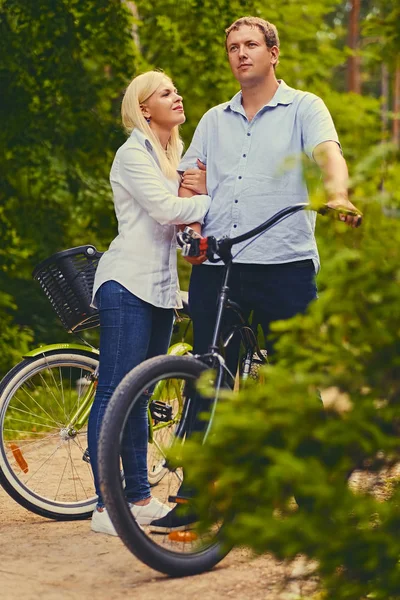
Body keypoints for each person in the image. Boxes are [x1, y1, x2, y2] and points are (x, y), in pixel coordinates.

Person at [148, 16, 361, 532]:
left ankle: (313, 498)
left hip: (284, 266)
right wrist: (191, 214)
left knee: (293, 383)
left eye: (250, 45)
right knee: (208, 377)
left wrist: (336, 192)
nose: (240, 54)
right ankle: (195, 494)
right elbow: (190, 182)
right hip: (220, 267)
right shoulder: (214, 121)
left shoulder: (305, 107)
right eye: (232, 47)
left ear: (273, 53)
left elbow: (328, 154)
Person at [88, 70, 211, 536]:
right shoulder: (132, 153)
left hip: (158, 290)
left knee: (138, 394)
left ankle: (137, 497)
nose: (176, 96)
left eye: (177, 90)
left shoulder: (168, 157)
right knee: (115, 390)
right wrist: (217, 203)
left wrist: (196, 214)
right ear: (144, 109)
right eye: (165, 93)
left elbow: (178, 229)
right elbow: (165, 210)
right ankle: (105, 504)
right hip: (126, 284)